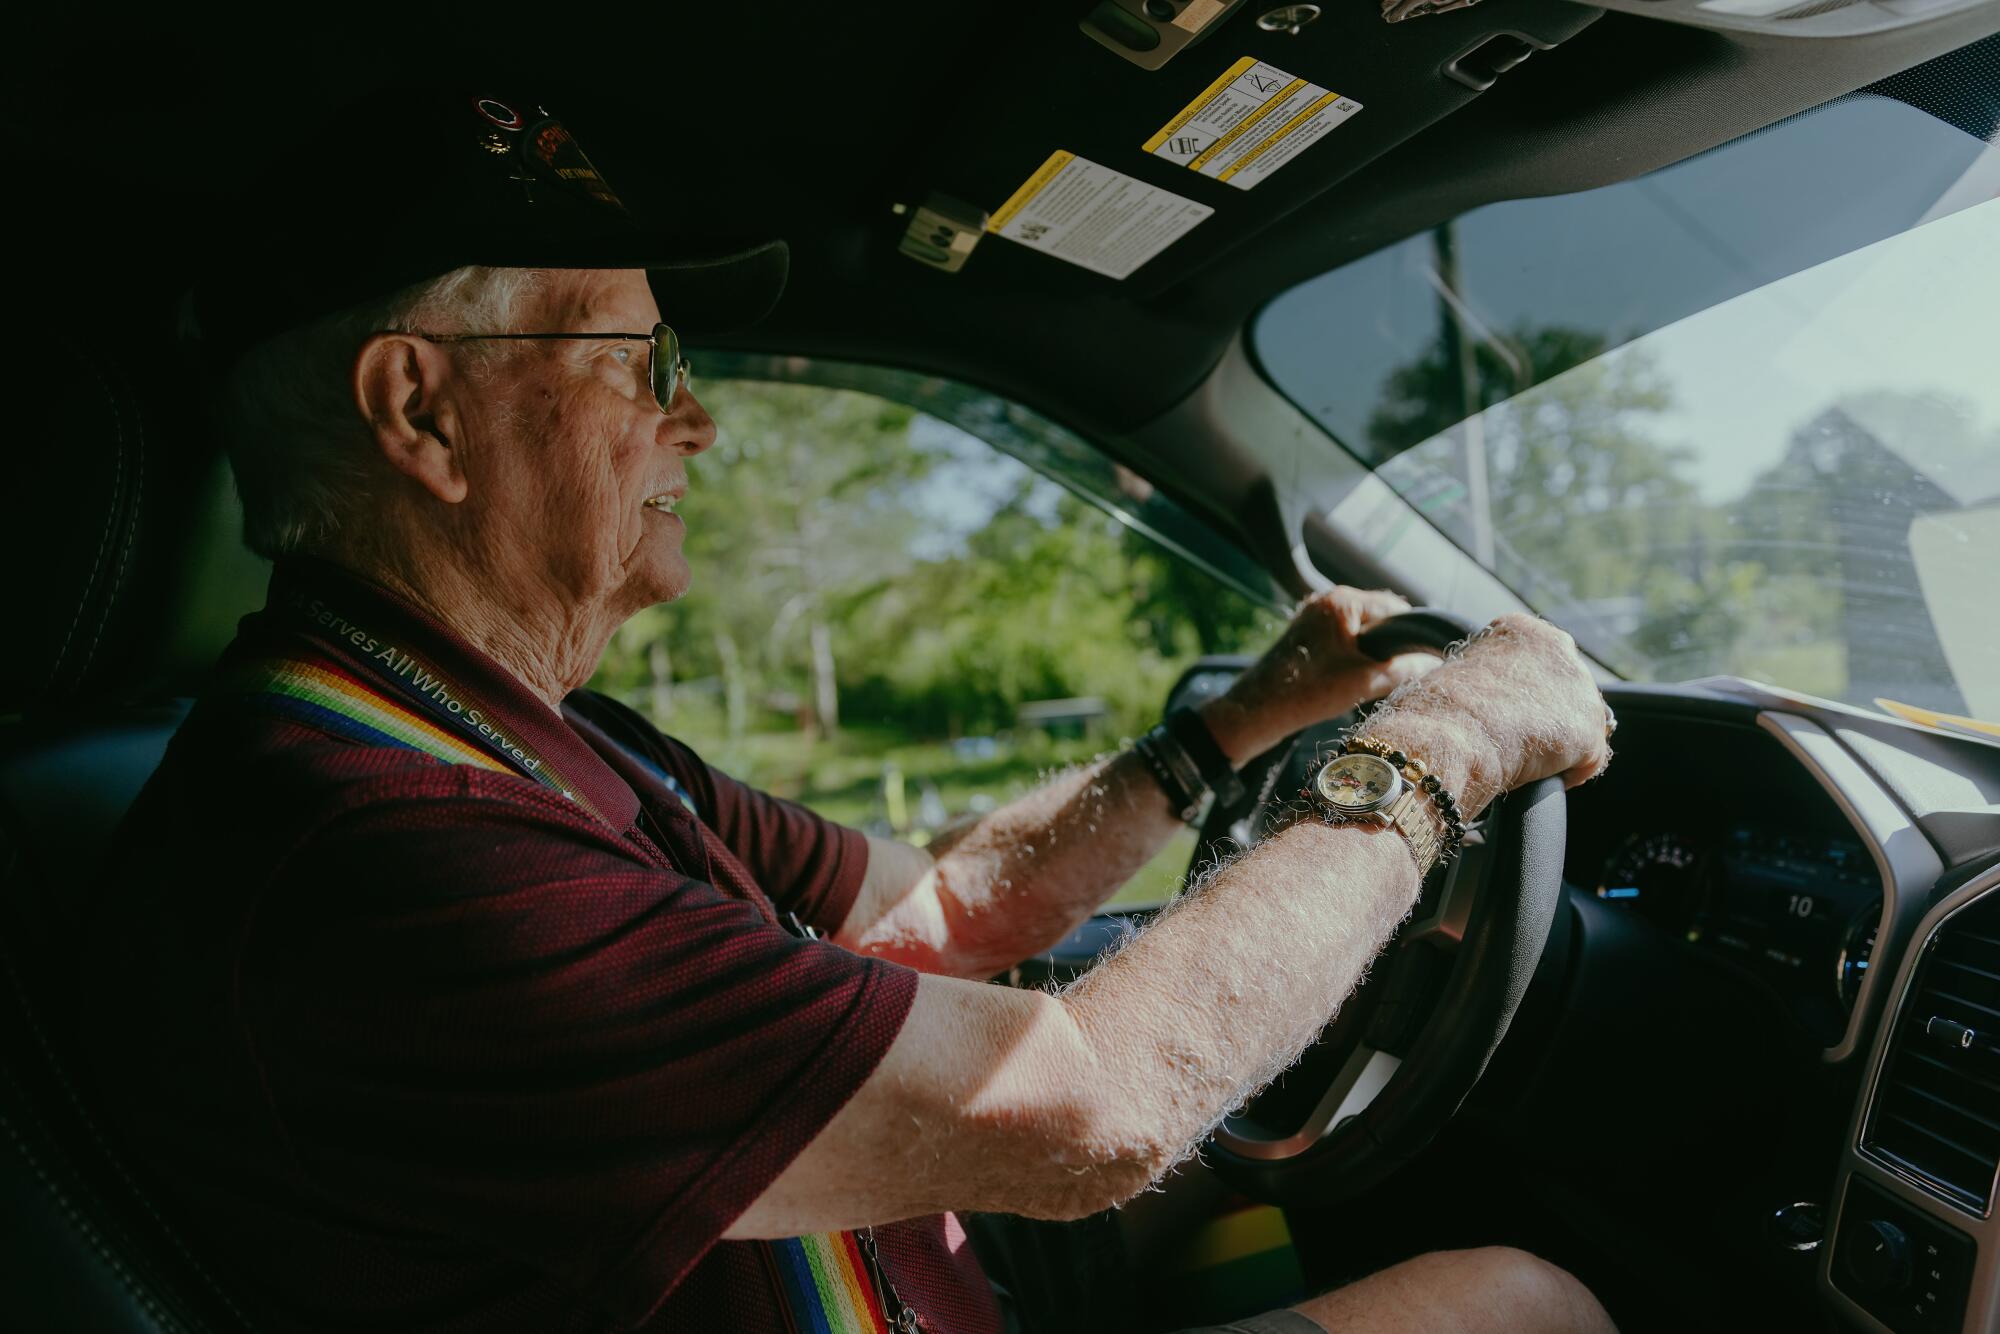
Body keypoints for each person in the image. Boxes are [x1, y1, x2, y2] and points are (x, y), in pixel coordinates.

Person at [81, 94, 1618, 1333]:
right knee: (1522, 1300)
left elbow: (945, 905)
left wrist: (1246, 720)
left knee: (1263, 1182)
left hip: (918, 1264)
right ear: (419, 411)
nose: (697, 413)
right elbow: (1093, 1106)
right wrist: (1438, 751)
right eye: (640, 360)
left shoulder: (536, 739)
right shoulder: (378, 863)